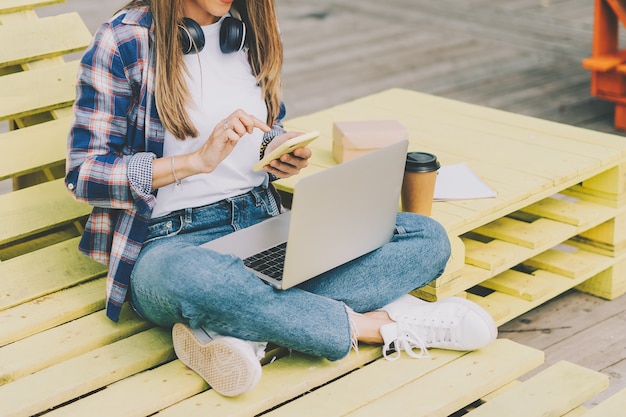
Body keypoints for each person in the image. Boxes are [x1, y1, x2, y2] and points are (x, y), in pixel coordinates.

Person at [66, 0, 498, 398]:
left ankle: (239, 329)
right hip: (170, 244)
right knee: (201, 281)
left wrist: (279, 149)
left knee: (427, 238)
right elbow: (83, 174)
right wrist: (195, 162)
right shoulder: (123, 40)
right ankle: (376, 326)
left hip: (260, 221)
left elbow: (264, 127)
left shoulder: (249, 28)